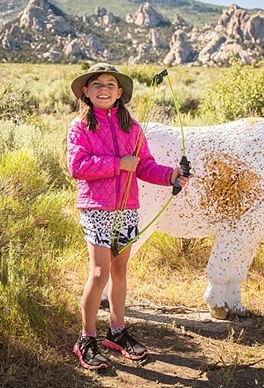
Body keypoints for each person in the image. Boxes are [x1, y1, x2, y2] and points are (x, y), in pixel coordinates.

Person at [67, 63, 191, 370]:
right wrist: (118, 163)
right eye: (97, 84)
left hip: (127, 209)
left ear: (120, 93)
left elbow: (145, 165)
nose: (104, 89)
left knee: (120, 270)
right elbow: (77, 166)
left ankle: (117, 332)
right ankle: (87, 338)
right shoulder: (80, 126)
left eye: (111, 84)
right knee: (99, 273)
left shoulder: (132, 128)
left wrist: (171, 175)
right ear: (86, 91)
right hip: (96, 208)